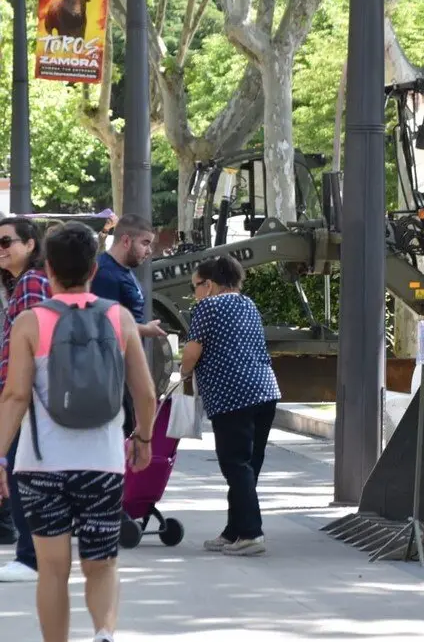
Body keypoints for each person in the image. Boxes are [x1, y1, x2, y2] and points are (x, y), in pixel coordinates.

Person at [0, 221, 157, 642]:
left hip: (41, 466)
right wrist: (143, 440)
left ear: (47, 268)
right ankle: (104, 633)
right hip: (102, 463)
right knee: (101, 562)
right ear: (93, 269)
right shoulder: (119, 318)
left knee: (52, 569)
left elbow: (15, 397)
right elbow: (146, 394)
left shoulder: (30, 323)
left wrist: (0, 456)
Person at [179, 256, 281, 557]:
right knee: (249, 466)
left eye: (196, 286)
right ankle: (234, 531)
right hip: (265, 390)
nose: (195, 293)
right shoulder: (248, 305)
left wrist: (184, 374)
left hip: (233, 395)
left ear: (209, 285)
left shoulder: (208, 307)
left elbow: (192, 351)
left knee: (235, 464)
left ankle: (250, 533)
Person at [0, 217, 50, 583]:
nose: (1, 249)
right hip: (23, 393)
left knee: (18, 471)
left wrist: (18, 395)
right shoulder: (18, 283)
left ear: (31, 244)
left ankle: (29, 557)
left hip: (25, 394)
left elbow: (31, 344)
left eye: (6, 242)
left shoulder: (32, 281)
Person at [90, 214, 166, 439]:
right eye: (145, 243)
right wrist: (144, 329)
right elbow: (104, 322)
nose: (149, 250)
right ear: (125, 240)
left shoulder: (122, 270)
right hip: (112, 370)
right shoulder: (105, 273)